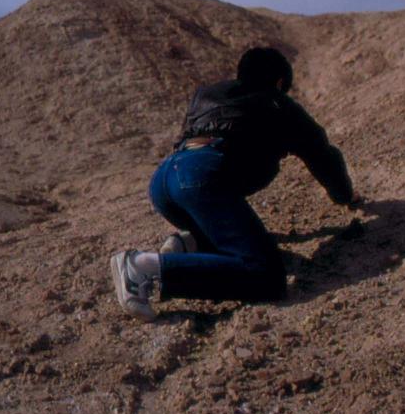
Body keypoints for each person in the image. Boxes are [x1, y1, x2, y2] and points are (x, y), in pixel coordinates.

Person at [111, 47, 359, 321]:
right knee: (266, 275)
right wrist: (345, 196)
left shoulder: (205, 95)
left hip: (165, 180)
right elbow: (322, 155)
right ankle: (143, 267)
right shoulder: (277, 102)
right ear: (279, 82)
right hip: (200, 179)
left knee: (234, 235)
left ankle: (193, 243)